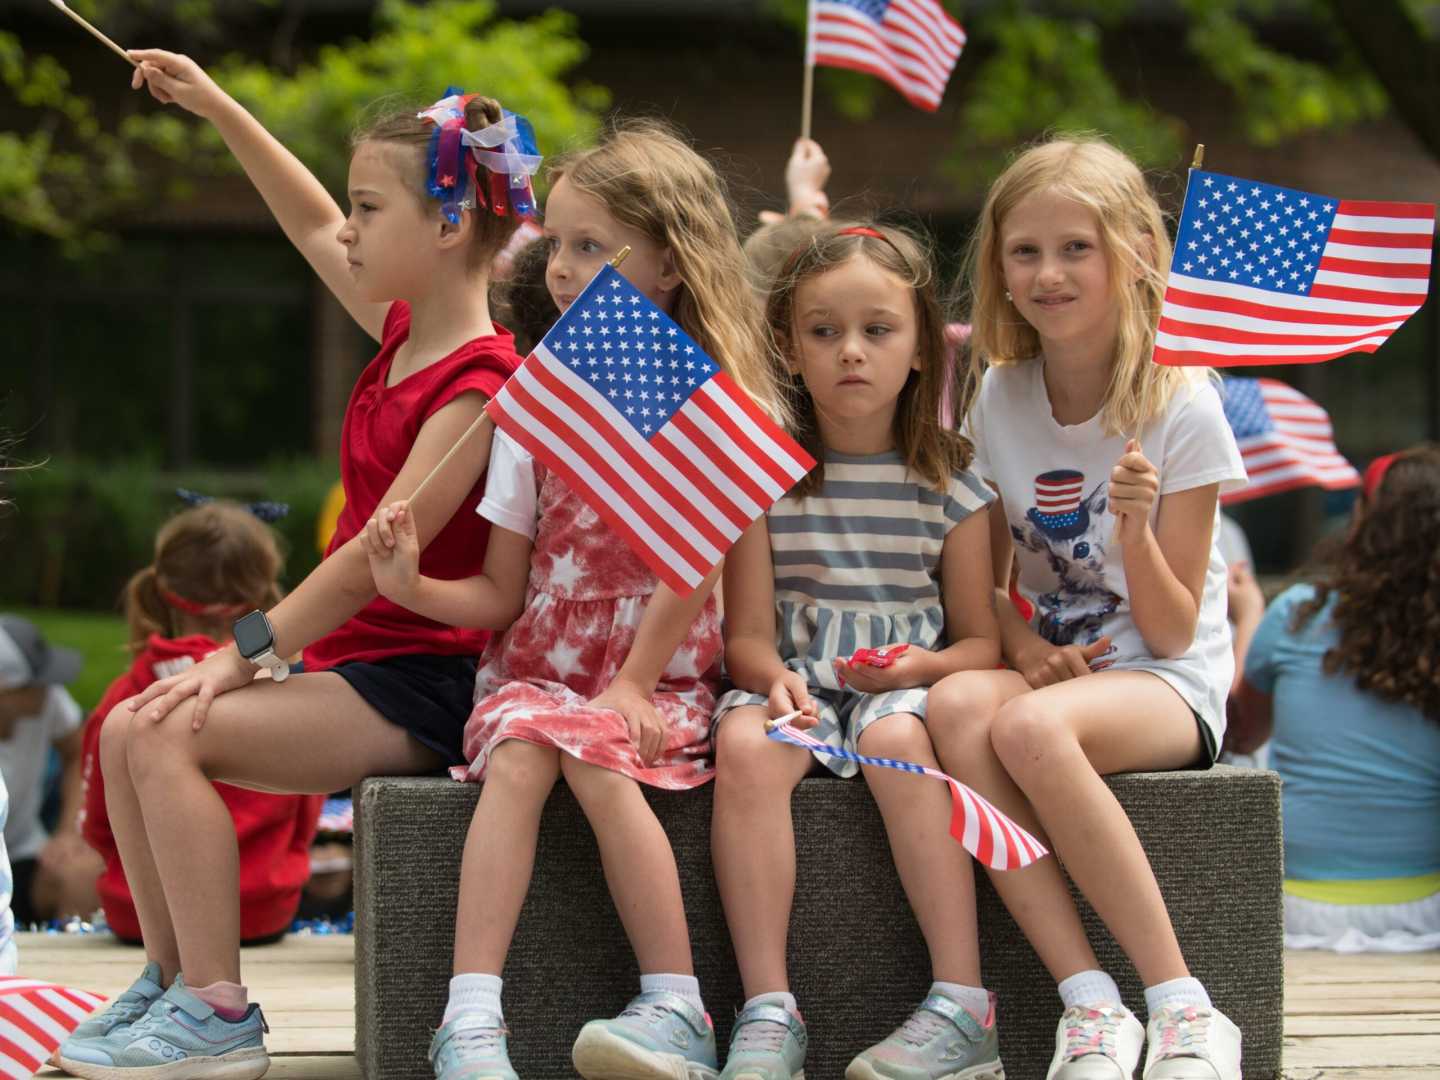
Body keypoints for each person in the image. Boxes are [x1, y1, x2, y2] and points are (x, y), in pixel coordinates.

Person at [57, 52, 529, 1080]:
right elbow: (306, 219)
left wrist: (241, 652)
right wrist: (220, 106)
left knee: (172, 727)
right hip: (359, 668)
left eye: (371, 207)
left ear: (448, 227)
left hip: (425, 684)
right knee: (131, 720)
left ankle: (219, 1015)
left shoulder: (479, 387)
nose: (347, 229)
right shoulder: (403, 328)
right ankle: (174, 982)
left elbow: (371, 561)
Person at [361, 119, 787, 1080]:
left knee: (592, 753)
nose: (560, 268)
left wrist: (633, 683)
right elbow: (503, 590)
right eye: (553, 241)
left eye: (591, 245)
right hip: (536, 672)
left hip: (658, 681)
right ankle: (469, 1019)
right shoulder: (540, 401)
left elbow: (696, 560)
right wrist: (411, 584)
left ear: (672, 261)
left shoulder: (706, 401)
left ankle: (676, 1004)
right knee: (522, 749)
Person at [927, 136, 1249, 1080]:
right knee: (953, 709)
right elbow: (987, 576)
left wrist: (1139, 529)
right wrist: (1020, 640)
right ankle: (1089, 1003)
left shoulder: (1183, 403)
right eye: (1025, 251)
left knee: (1025, 730)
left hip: (1162, 679)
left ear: (1131, 254)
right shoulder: (996, 393)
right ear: (998, 268)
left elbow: (1179, 626)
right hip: (1053, 666)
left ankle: (1184, 1007)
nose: (1049, 272)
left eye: (1077, 248)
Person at [710, 222, 1003, 1080]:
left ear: (920, 350)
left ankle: (961, 1000)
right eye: (823, 331)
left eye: (878, 330)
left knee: (898, 740)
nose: (851, 353)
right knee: (743, 746)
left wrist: (926, 669)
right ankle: (768, 1010)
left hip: (901, 684)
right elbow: (747, 638)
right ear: (788, 350)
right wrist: (772, 684)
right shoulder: (763, 478)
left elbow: (979, 638)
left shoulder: (952, 483)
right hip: (796, 682)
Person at [80, 500, 324, 947]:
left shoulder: (126, 694)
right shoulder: (285, 696)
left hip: (138, 916)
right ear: (267, 594)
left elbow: (98, 824)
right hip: (260, 913)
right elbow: (307, 809)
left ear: (160, 589)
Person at [1234, 446, 1440, 952]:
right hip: (1428, 911)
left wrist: (1248, 617)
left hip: (1295, 911)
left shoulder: (1297, 614)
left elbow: (1238, 733)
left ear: (1363, 521)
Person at [0, 615, 97, 926]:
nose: (51, 687)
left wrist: (69, 831)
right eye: (36, 683)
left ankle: (74, 968)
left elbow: (77, 751)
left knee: (82, 875)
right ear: (5, 689)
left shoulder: (48, 701)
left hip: (22, 852)